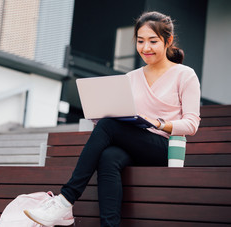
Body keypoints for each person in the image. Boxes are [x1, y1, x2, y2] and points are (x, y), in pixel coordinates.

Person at [24, 11, 201, 227]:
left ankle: (65, 200)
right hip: (133, 142)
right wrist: (100, 115)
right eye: (140, 41)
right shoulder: (130, 77)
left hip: (163, 146)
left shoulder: (185, 75)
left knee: (109, 126)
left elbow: (192, 124)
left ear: (168, 41)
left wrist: (159, 123)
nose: (146, 48)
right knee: (108, 156)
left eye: (153, 41)